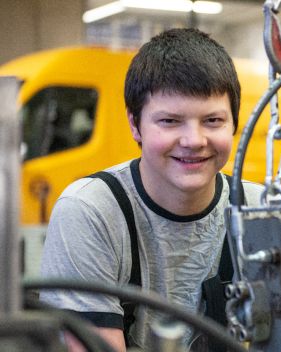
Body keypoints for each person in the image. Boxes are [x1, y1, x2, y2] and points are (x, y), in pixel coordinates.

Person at [40, 28, 263, 351]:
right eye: (170, 121)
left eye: (213, 120)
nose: (194, 141)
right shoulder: (92, 211)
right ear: (135, 124)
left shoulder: (257, 211)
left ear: (234, 123)